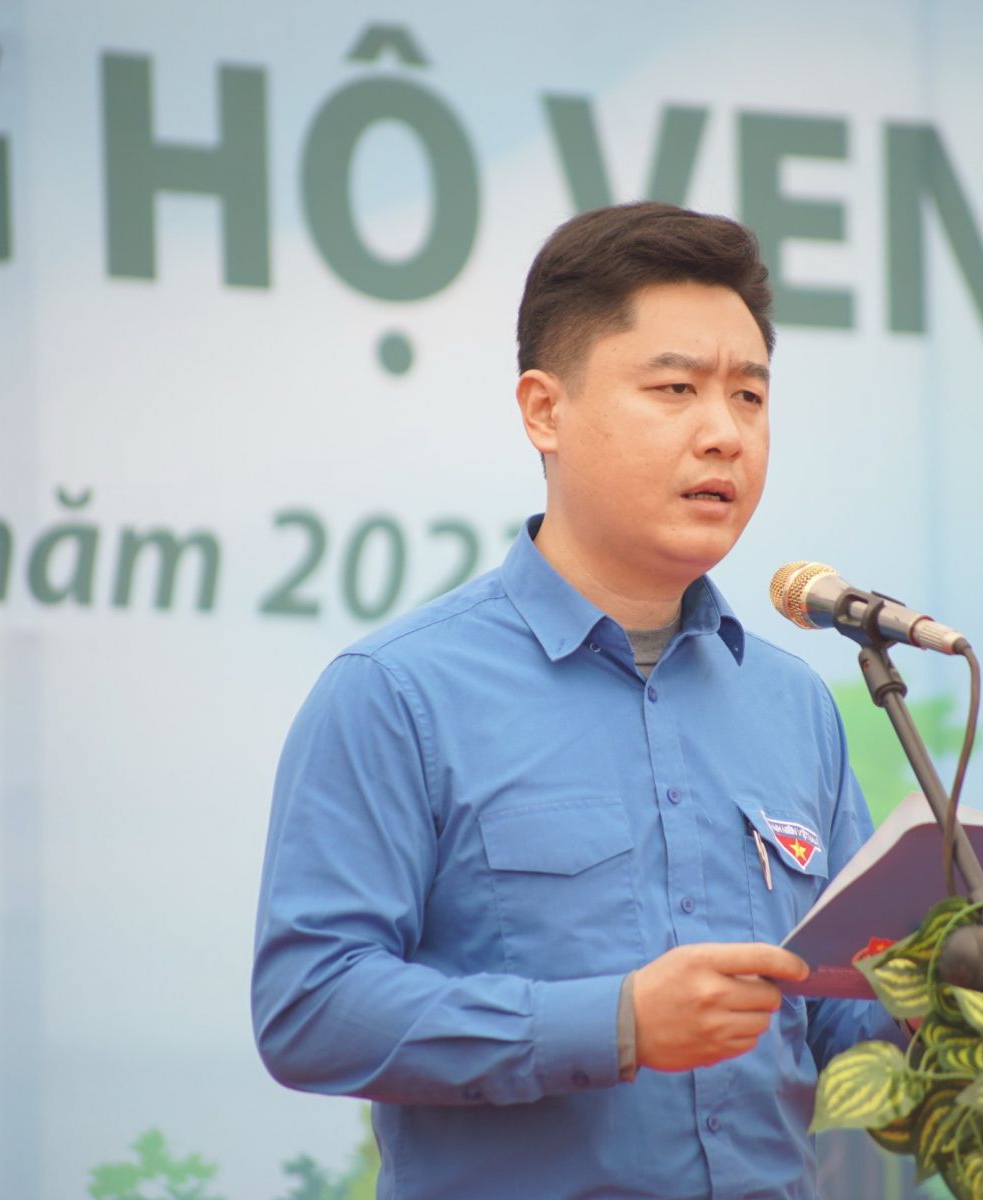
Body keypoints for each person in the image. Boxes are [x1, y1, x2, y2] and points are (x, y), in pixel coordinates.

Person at [252, 202, 897, 1199]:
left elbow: (841, 1024)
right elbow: (309, 1006)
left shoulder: (792, 702)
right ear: (543, 410)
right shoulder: (397, 694)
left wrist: (945, 979)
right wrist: (615, 1025)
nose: (722, 434)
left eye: (749, 397)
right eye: (676, 389)